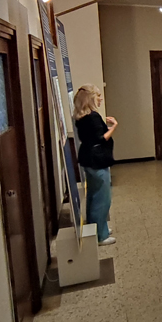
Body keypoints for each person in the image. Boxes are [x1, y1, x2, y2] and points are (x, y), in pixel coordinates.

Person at [73, 84, 117, 246]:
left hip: (87, 158)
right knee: (102, 199)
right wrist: (114, 126)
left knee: (92, 195)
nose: (101, 99)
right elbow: (101, 138)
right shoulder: (93, 117)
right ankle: (101, 235)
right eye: (98, 96)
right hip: (97, 160)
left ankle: (96, 229)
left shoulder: (80, 116)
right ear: (91, 98)